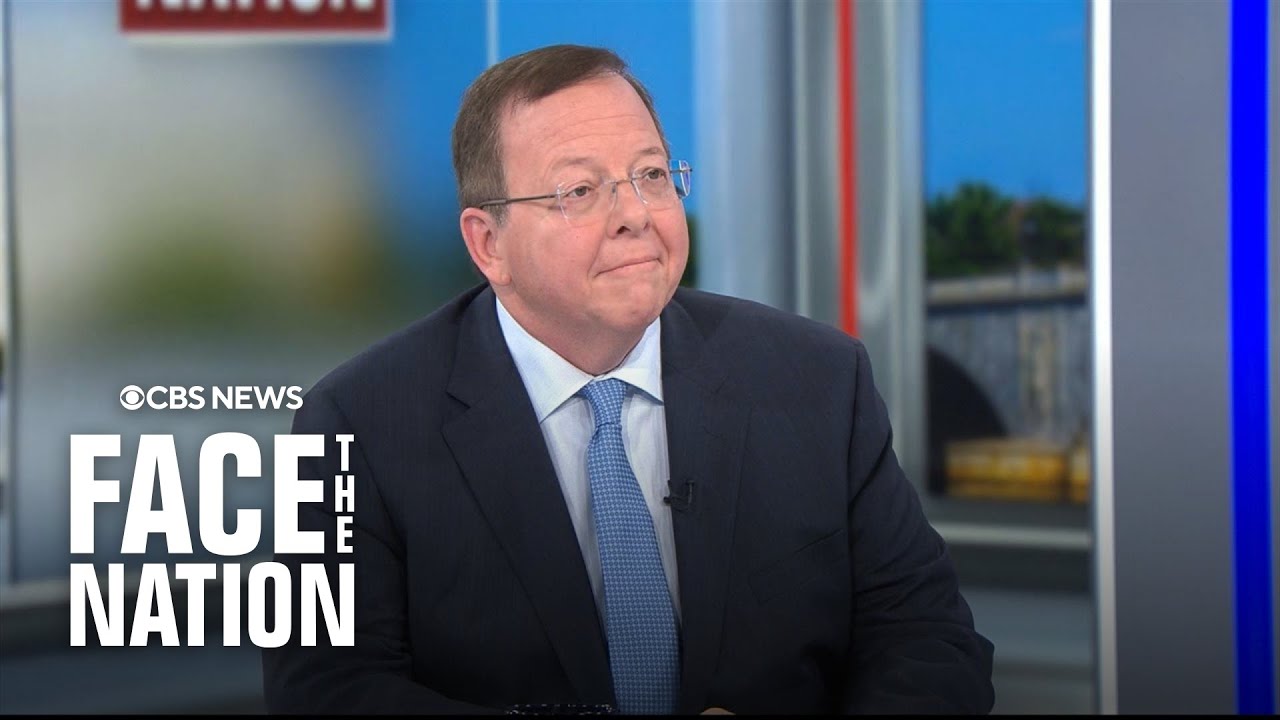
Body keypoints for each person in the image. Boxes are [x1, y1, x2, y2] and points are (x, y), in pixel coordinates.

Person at [262, 44, 994, 715]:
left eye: (651, 176)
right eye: (580, 191)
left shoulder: (821, 380)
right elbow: (324, 690)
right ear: (489, 245)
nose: (635, 217)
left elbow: (930, 642)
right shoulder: (352, 423)